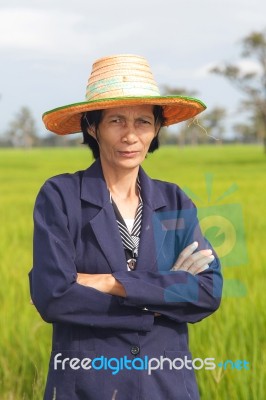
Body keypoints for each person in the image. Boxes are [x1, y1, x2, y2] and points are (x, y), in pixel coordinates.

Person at [29, 54, 223, 400]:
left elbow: (207, 292)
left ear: (157, 129)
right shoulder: (60, 196)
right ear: (93, 126)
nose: (131, 135)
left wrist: (107, 282)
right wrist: (163, 294)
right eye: (116, 120)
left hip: (167, 385)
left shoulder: (175, 200)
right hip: (88, 385)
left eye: (143, 122)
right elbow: (53, 296)